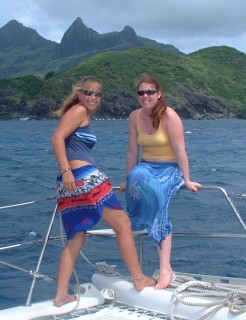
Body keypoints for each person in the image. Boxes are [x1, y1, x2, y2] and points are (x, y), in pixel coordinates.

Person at [51, 76, 156, 307]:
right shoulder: (78, 111)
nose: (93, 98)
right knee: (123, 224)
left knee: (76, 238)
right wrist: (67, 169)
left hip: (71, 184)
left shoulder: (81, 114)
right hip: (84, 179)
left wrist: (67, 173)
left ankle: (61, 296)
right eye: (89, 92)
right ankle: (139, 279)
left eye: (98, 94)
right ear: (79, 94)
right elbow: (57, 138)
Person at [120, 75, 201, 289]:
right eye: (141, 93)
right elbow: (132, 151)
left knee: (155, 195)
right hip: (146, 166)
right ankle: (150, 234)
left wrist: (187, 179)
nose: (145, 96)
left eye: (149, 92)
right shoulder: (133, 117)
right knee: (138, 180)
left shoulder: (169, 116)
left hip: (169, 168)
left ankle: (166, 268)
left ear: (159, 94)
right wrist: (128, 179)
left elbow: (180, 150)